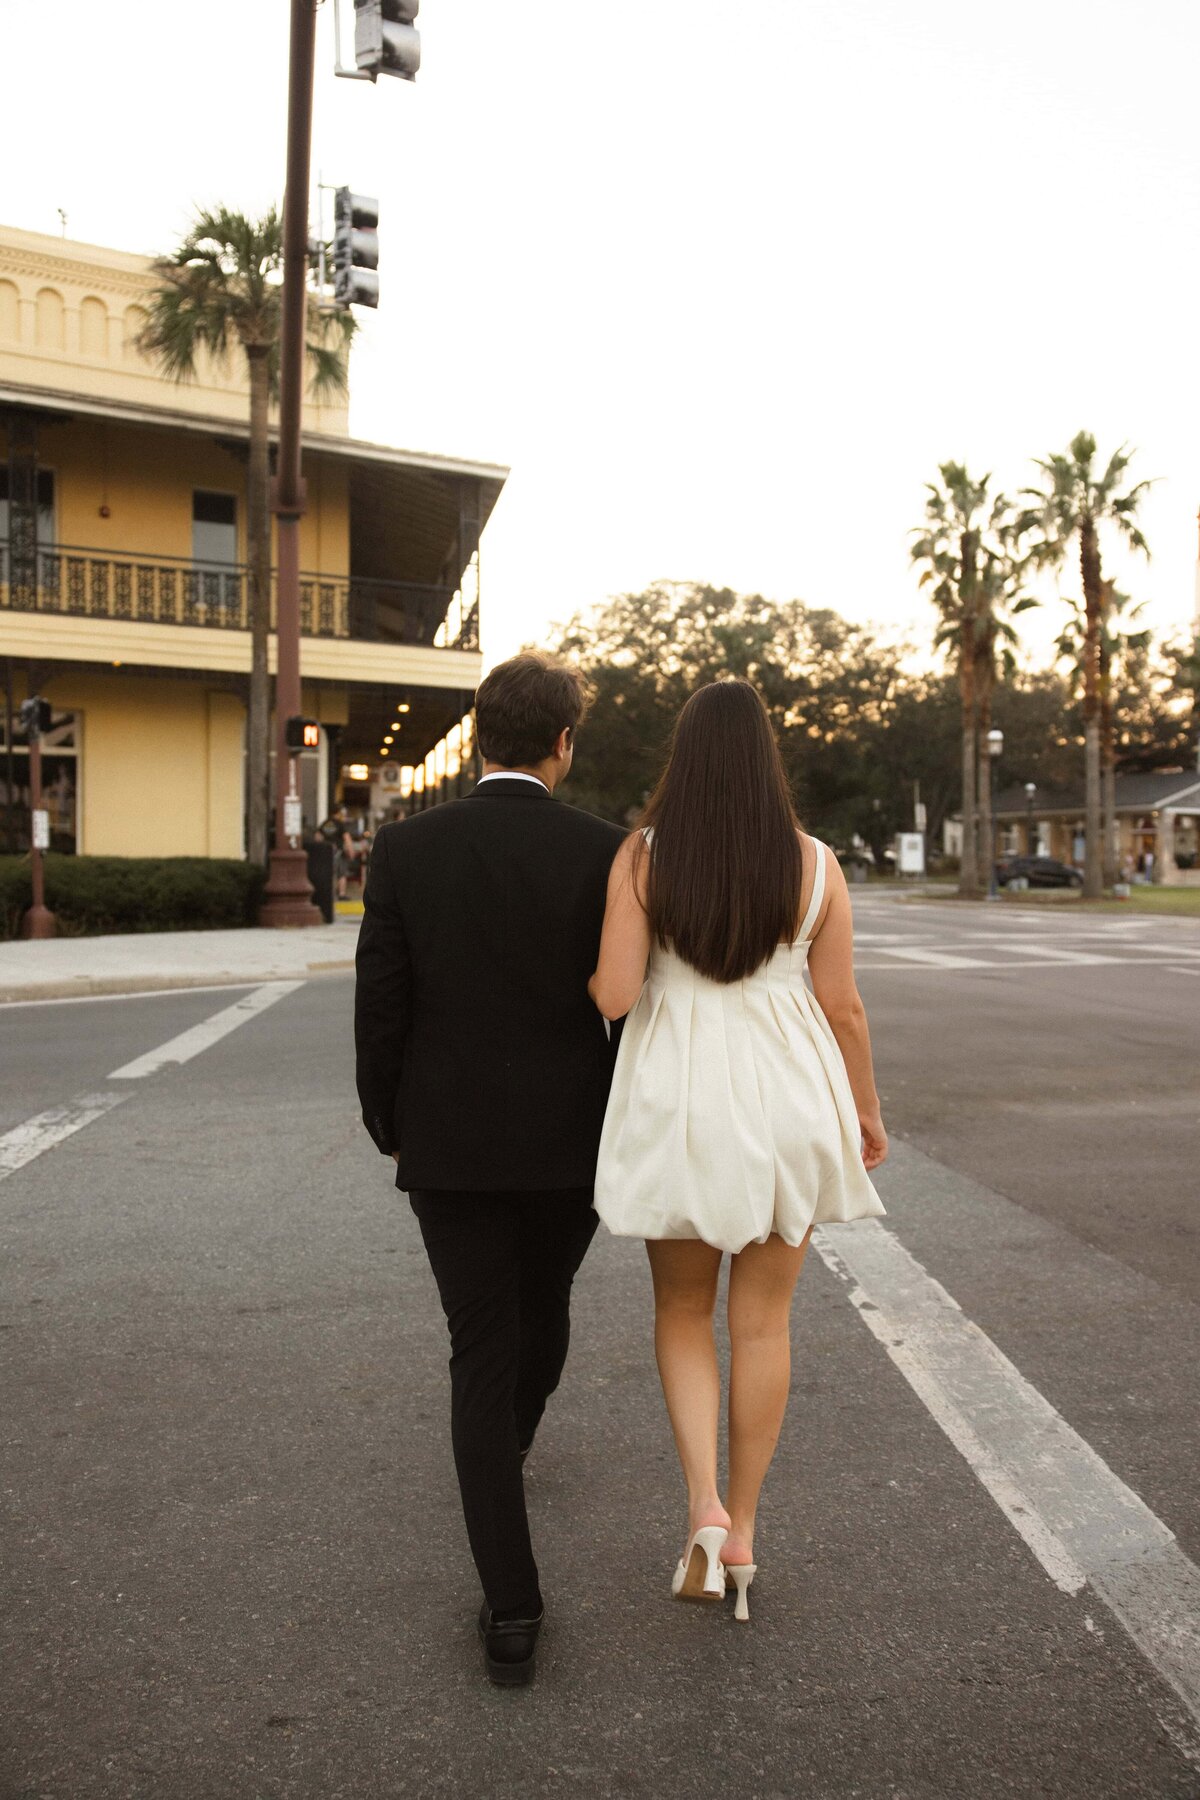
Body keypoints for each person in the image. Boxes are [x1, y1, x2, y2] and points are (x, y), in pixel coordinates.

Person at [589, 679, 887, 1623]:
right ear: (767, 761)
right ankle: (749, 1528)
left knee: (682, 1310)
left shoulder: (643, 857)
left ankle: (703, 1511)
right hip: (792, 1098)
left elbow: (612, 996)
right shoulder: (817, 865)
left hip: (684, 1103)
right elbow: (842, 1005)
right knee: (764, 1323)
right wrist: (868, 1113)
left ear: (686, 756)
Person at [354, 653, 624, 1687]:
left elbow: (385, 1001)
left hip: (450, 1143)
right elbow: (626, 1006)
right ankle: (507, 1444)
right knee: (544, 1301)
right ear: (565, 740)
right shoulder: (605, 852)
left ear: (478, 736)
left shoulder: (407, 848)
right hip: (573, 1142)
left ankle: (512, 1609)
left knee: (480, 1343)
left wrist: (389, 1120)